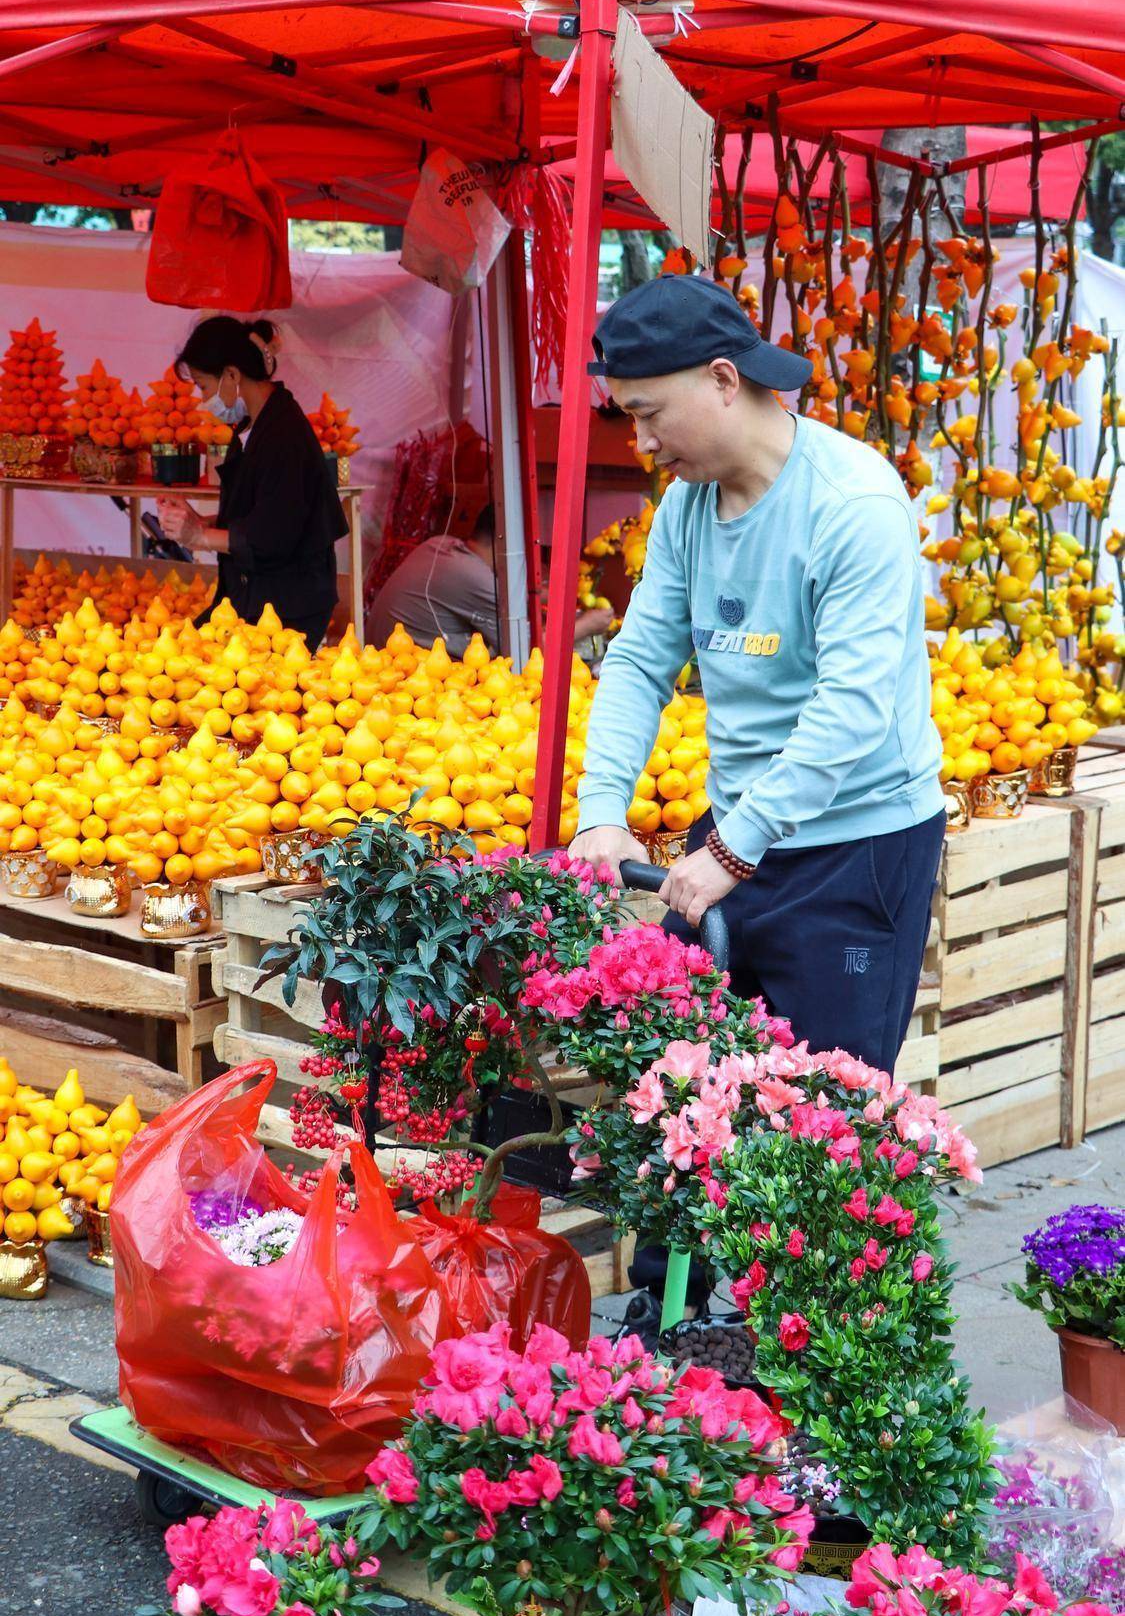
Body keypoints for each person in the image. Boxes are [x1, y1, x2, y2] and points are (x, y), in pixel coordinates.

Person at [569, 274, 945, 1078]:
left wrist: (733, 849)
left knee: (824, 1113)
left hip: (856, 844)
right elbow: (637, 661)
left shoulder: (853, 505)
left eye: (646, 413)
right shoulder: (684, 509)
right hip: (738, 834)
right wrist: (601, 807)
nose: (639, 441)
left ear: (722, 379)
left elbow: (851, 708)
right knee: (692, 1092)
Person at [155, 317, 346, 652]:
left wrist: (199, 537)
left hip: (287, 605)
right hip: (252, 595)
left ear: (231, 375)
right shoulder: (252, 426)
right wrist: (202, 523)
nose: (203, 400)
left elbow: (274, 536)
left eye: (203, 385)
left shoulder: (283, 435)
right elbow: (258, 512)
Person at [369, 503, 614, 658]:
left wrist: (537, 593)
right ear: (504, 543)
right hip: (411, 677)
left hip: (384, 660)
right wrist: (589, 624)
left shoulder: (438, 545)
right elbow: (529, 647)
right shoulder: (474, 576)